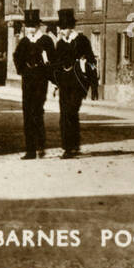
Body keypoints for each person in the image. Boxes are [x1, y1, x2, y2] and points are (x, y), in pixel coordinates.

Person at [52, 9, 96, 158]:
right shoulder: (60, 44)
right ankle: (68, 147)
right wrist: (56, 83)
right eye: (61, 28)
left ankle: (72, 146)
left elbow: (92, 61)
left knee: (71, 111)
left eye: (64, 28)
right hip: (64, 84)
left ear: (71, 27)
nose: (62, 31)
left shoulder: (82, 41)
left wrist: (85, 66)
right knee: (64, 114)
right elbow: (57, 65)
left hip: (77, 83)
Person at [13, 10, 52, 159]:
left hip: (41, 80)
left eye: (32, 25)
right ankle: (30, 150)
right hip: (28, 80)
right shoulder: (24, 41)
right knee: (27, 113)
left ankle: (40, 145)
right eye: (27, 26)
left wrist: (48, 71)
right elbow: (17, 56)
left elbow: (52, 60)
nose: (30, 28)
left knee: (37, 111)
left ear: (38, 25)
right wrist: (22, 70)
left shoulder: (46, 41)